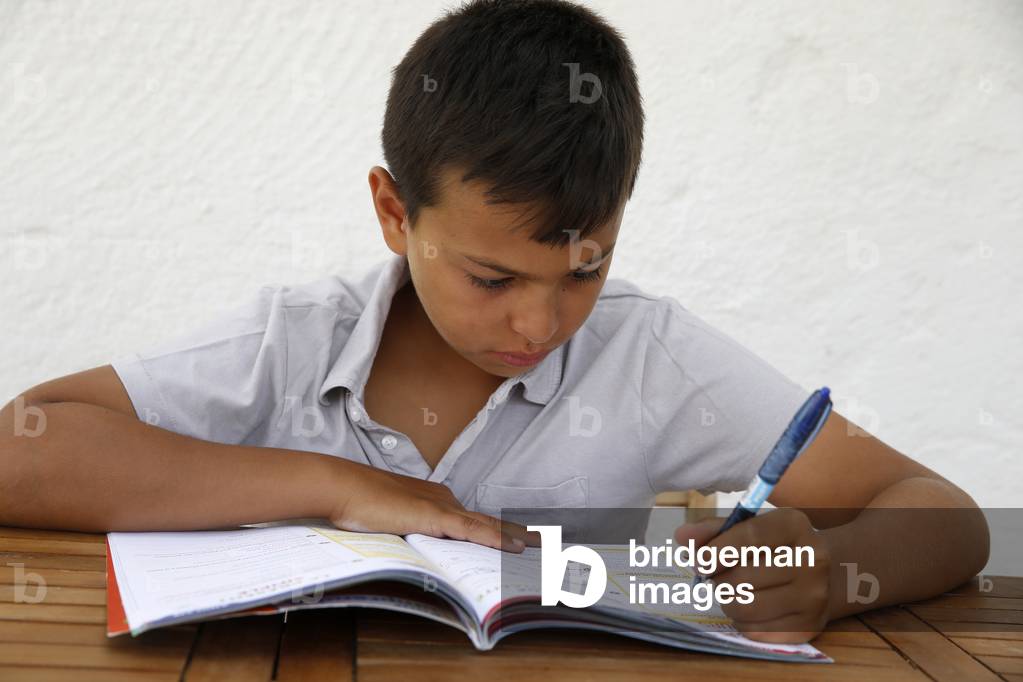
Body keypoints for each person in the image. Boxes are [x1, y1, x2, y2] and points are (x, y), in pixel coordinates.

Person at [0, 0, 988, 643]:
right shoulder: (293, 340)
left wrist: (833, 575)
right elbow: (23, 447)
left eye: (585, 269)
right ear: (395, 213)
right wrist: (339, 486)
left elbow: (945, 511)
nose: (542, 320)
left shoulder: (649, 355)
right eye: (490, 275)